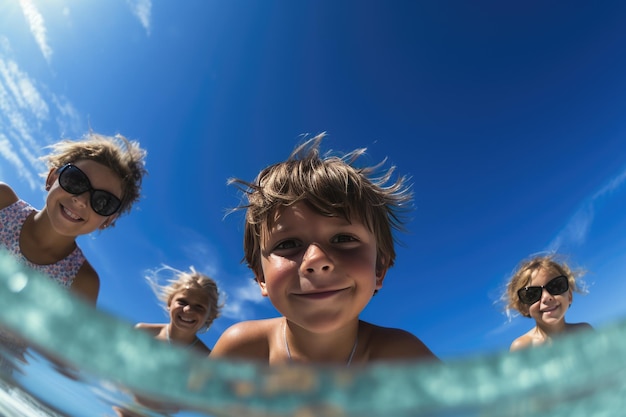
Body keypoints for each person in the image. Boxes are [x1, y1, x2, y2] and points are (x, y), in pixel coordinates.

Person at [210, 133, 437, 365]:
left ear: (379, 268)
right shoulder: (242, 350)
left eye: (343, 238)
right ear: (261, 278)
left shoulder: (404, 358)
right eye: (287, 244)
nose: (316, 260)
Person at [0, 131, 147, 304]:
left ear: (107, 221)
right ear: (52, 178)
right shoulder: (3, 201)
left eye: (103, 202)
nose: (82, 201)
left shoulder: (83, 281)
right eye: (76, 180)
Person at [504, 253, 592, 351]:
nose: (546, 297)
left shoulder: (583, 331)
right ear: (524, 308)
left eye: (556, 286)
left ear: (569, 296)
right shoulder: (523, 347)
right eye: (532, 294)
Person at [135, 265, 223, 355]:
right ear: (169, 303)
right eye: (182, 302)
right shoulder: (142, 332)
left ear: (210, 316)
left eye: (199, 307)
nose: (188, 309)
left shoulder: (205, 358)